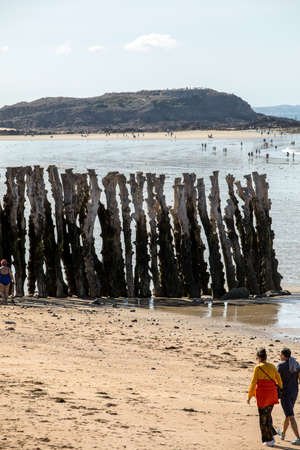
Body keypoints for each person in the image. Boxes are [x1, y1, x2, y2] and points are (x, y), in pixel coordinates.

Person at [248, 348, 283, 447]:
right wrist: (280, 388)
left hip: (262, 396)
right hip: (272, 395)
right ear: (266, 357)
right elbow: (279, 379)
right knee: (267, 415)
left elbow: (253, 382)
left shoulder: (257, 368)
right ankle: (271, 436)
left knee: (263, 419)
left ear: (259, 358)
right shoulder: (272, 366)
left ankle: (268, 440)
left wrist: (249, 396)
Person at [277, 348, 300, 445]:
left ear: (283, 355)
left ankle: (298, 438)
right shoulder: (296, 364)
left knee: (290, 415)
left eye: (280, 354)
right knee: (288, 413)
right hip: (294, 392)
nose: (279, 356)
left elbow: (276, 379)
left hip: (285, 393)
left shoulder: (281, 366)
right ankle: (282, 433)